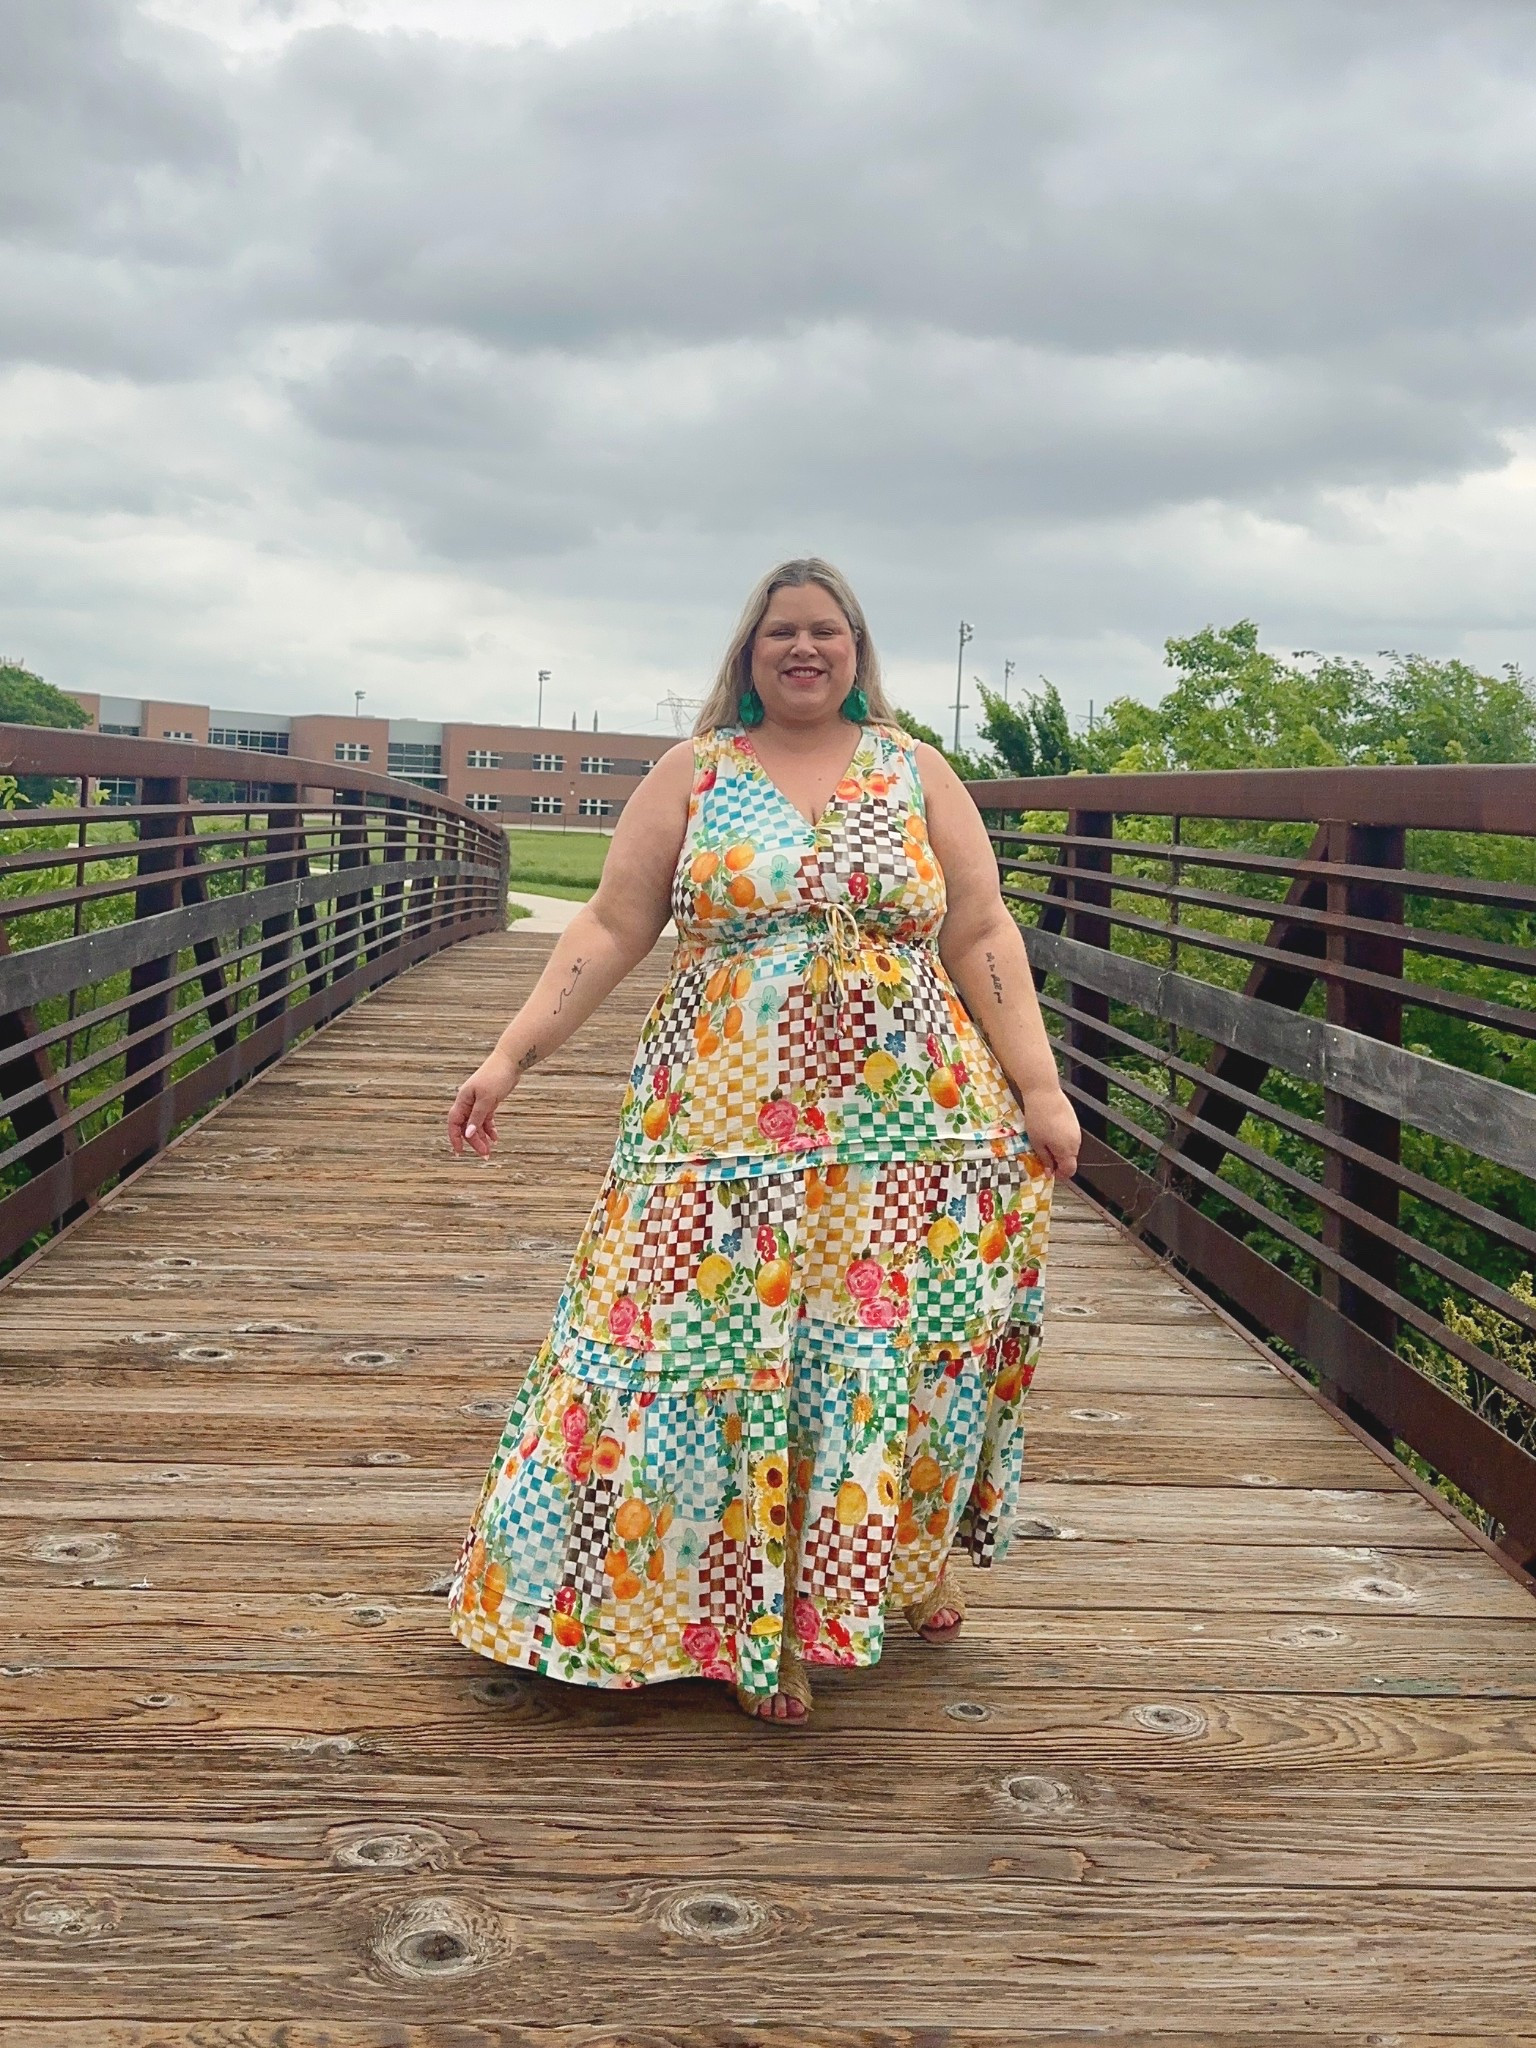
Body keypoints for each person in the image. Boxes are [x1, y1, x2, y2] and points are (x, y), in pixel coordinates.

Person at [444, 558, 1080, 1726]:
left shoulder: (913, 769)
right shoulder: (695, 772)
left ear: (855, 647)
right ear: (748, 651)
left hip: (905, 1131)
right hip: (719, 1124)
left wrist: (1040, 1088)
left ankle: (810, 1615)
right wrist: (510, 1054)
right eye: (781, 632)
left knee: (857, 1346)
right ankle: (694, 1614)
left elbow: (982, 927)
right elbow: (610, 921)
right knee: (693, 1345)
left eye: (824, 631)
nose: (804, 649)